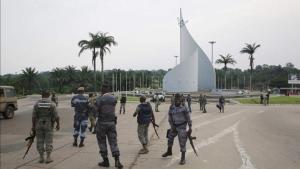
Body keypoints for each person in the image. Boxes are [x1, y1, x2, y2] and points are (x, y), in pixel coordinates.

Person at [95, 84, 123, 168]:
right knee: (113, 141)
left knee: (102, 142)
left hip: (102, 123)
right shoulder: (113, 98)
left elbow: (96, 111)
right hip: (111, 123)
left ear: (102, 90)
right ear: (108, 90)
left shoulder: (99, 99)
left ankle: (105, 161)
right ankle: (117, 160)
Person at [162, 93, 192, 165]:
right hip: (174, 126)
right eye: (176, 99)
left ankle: (183, 158)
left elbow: (188, 118)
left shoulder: (184, 107)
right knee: (170, 138)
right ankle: (169, 151)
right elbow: (170, 118)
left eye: (179, 99)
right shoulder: (172, 107)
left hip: (182, 127)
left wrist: (190, 127)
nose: (178, 100)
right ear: (175, 99)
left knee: (182, 141)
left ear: (181, 99)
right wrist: (172, 126)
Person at [32, 90, 60, 163]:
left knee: (40, 141)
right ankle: (48, 157)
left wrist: (33, 126)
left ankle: (41, 157)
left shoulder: (37, 104)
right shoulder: (52, 104)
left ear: (42, 95)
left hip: (38, 124)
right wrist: (58, 124)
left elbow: (34, 117)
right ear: (49, 95)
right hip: (48, 124)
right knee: (48, 141)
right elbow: (56, 116)